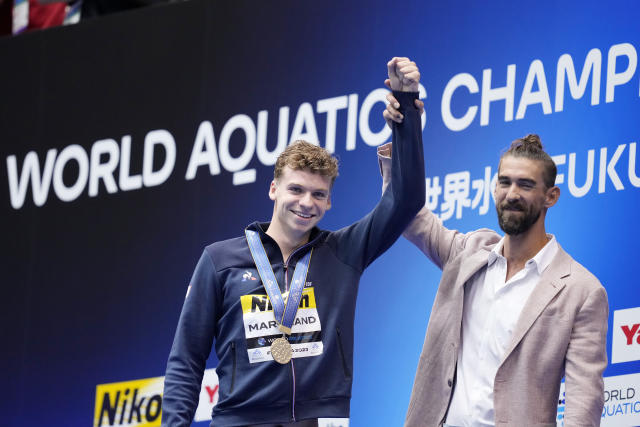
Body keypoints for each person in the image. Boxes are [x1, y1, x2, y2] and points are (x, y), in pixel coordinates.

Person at [161, 57, 425, 426]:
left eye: (318, 194)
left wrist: (408, 109)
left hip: (321, 419)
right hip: (241, 419)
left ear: (330, 201)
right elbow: (186, 360)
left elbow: (407, 200)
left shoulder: (343, 252)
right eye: (296, 189)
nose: (306, 203)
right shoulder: (219, 260)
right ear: (273, 189)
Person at [379, 102, 608, 426]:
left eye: (525, 185)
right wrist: (403, 135)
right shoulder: (469, 252)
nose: (511, 193)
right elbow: (407, 214)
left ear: (551, 196)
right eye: (504, 182)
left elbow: (583, 405)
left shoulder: (581, 290)